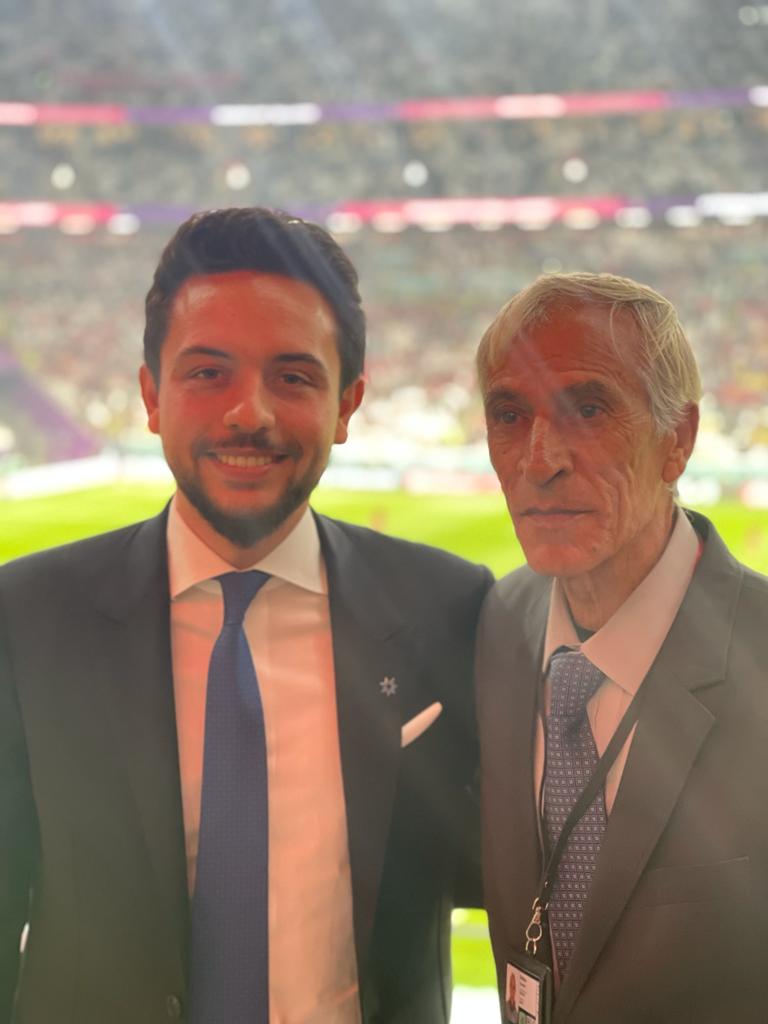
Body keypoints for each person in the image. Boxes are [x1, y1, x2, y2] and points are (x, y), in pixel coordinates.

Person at [0, 207, 492, 1024]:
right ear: (151, 395)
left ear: (347, 404)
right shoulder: (26, 619)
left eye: (294, 377)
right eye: (207, 373)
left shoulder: (451, 607)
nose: (249, 413)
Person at [474, 272, 768, 1023]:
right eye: (509, 414)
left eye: (588, 408)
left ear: (678, 441)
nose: (540, 459)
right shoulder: (497, 624)